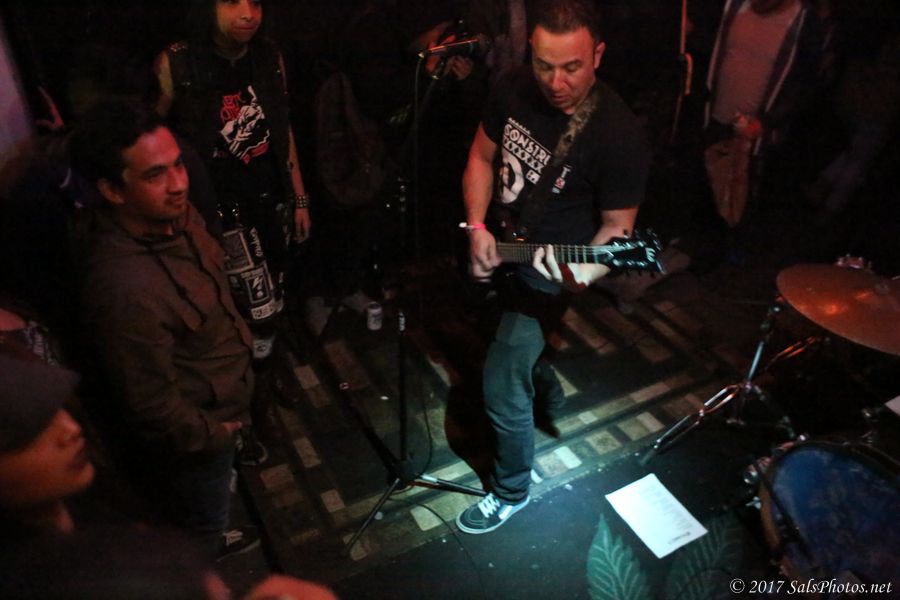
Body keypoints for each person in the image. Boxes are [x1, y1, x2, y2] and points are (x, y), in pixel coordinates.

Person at [456, 0, 650, 534]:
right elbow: (480, 157)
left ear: (598, 56)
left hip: (548, 272)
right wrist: (477, 227)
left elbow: (618, 232)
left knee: (500, 381)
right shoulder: (512, 88)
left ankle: (510, 491)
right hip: (502, 241)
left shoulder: (618, 134)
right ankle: (540, 375)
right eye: (545, 65)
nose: (556, 83)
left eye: (572, 67)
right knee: (488, 329)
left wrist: (580, 274)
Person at [68, 101, 257, 559]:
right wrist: (217, 434)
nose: (179, 184)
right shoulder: (124, 287)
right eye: (155, 175)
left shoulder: (177, 216)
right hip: (199, 441)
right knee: (200, 525)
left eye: (178, 165)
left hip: (225, 405)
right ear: (112, 191)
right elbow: (150, 405)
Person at [155, 0, 311, 459]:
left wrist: (299, 196)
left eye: (255, 2)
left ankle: (269, 374)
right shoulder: (179, 62)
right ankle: (257, 403)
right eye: (232, 1)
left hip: (271, 198)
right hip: (220, 209)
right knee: (254, 311)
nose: (248, 13)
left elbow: (282, 128)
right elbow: (151, 135)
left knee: (275, 299)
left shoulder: (268, 55)